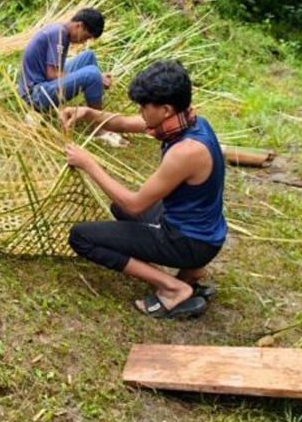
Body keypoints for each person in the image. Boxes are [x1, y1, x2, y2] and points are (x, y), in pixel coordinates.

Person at [61, 60, 226, 319]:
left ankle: (172, 288)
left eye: (144, 107)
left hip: (190, 240)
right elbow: (125, 124)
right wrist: (88, 113)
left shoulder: (186, 152)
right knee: (117, 206)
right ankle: (192, 270)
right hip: (202, 229)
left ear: (165, 109)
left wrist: (88, 164)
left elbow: (135, 204)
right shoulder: (190, 121)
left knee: (81, 236)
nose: (140, 112)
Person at [17, 8, 112, 112]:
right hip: (35, 95)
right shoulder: (59, 34)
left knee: (88, 56)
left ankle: (93, 99)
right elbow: (52, 75)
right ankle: (98, 123)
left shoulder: (59, 30)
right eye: (86, 37)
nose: (84, 42)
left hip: (44, 84)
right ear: (79, 26)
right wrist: (97, 77)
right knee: (92, 73)